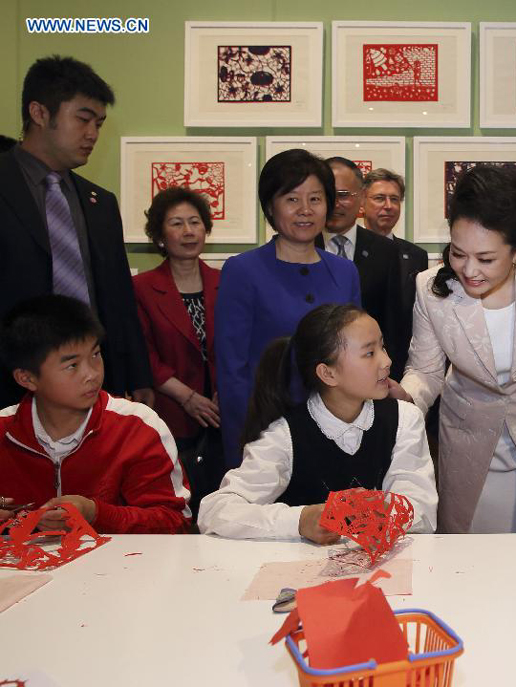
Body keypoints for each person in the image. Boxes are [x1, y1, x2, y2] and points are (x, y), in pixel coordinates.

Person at [390, 165, 516, 534]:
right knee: (467, 554)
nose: (469, 270)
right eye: (458, 253)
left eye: (486, 259)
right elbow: (425, 370)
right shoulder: (431, 288)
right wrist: (406, 398)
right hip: (467, 439)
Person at [198, 304, 437, 540]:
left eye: (382, 347)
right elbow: (216, 511)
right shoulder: (284, 435)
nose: (386, 361)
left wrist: (367, 510)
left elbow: (422, 512)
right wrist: (300, 520)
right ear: (328, 374)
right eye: (369, 353)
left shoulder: (404, 419)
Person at [0, 56, 152, 409]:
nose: (93, 134)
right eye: (83, 119)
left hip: (94, 385)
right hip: (12, 381)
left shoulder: (99, 202)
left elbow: (118, 297)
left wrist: (137, 374)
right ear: (39, 113)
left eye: (99, 123)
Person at [215, 149, 361, 467]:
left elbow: (356, 357)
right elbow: (232, 372)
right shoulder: (242, 270)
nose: (305, 210)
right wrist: (243, 447)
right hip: (266, 431)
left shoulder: (345, 271)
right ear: (270, 206)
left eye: (315, 199)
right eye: (292, 199)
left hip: (335, 430)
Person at [0, 295, 190, 534]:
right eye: (72, 365)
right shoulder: (4, 429)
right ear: (26, 378)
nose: (92, 374)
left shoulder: (137, 426)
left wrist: (95, 513)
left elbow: (174, 522)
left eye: (96, 355)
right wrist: (14, 522)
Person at [133, 187, 223, 517]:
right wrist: (187, 396)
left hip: (221, 413)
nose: (188, 231)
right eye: (176, 223)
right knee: (178, 506)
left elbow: (237, 346)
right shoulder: (141, 288)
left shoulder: (225, 281)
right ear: (159, 236)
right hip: (169, 411)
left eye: (195, 222)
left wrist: (223, 393)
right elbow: (143, 353)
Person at [318, 158, 404, 378]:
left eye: (344, 194)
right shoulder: (300, 247)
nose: (335, 202)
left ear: (363, 197)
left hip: (369, 374)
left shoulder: (385, 251)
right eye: (328, 194)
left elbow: (393, 326)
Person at [362, 168, 429, 379]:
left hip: (404, 363)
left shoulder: (416, 255)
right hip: (359, 361)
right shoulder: (348, 252)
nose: (388, 206)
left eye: (395, 199)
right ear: (362, 203)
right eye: (380, 198)